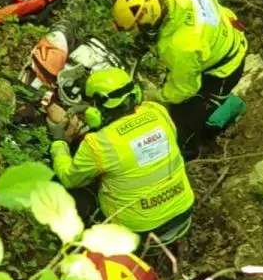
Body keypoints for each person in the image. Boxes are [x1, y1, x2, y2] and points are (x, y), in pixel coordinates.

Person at [47, 67, 194, 242]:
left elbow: (68, 178)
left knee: (61, 184)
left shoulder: (98, 144)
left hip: (139, 228)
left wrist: (59, 142)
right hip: (183, 210)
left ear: (97, 109)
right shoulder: (157, 112)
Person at [112, 0, 247, 156]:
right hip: (220, 34)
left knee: (182, 124)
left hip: (224, 69)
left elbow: (185, 88)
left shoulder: (182, 46)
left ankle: (189, 150)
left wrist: (159, 98)